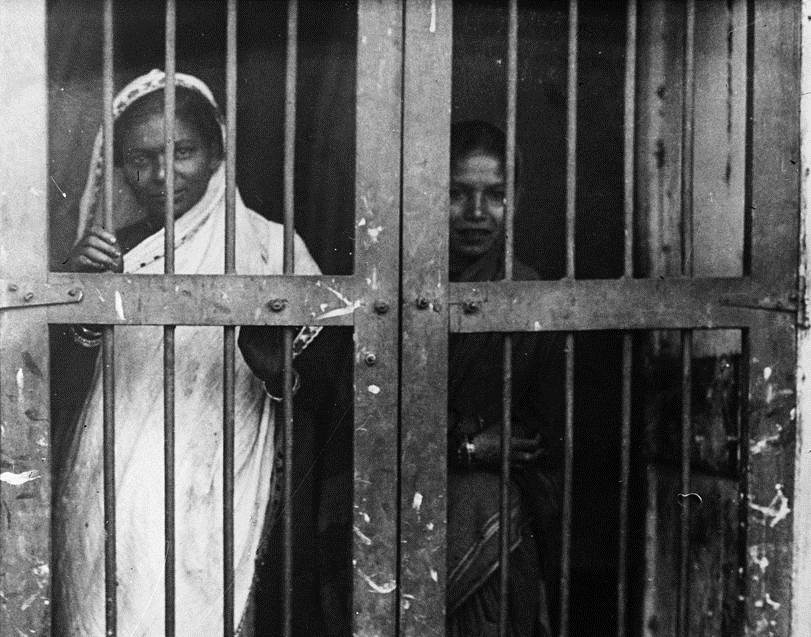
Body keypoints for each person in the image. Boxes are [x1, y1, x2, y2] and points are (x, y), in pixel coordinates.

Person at [53, 69, 322, 636]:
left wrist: (276, 361)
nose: (160, 174)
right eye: (140, 157)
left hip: (226, 470)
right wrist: (74, 291)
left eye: (183, 152)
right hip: (117, 478)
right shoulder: (112, 251)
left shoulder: (272, 247)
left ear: (217, 151)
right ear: (120, 165)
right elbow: (49, 381)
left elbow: (323, 387)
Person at [444, 119, 562, 637]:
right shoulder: (392, 291)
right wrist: (468, 447)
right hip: (396, 518)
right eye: (455, 193)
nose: (475, 214)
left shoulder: (527, 295)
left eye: (494, 195)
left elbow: (538, 441)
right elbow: (366, 425)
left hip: (492, 538)